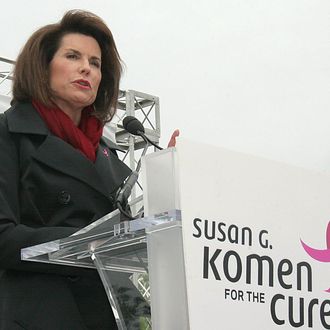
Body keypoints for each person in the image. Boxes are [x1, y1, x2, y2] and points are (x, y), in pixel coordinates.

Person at [0, 9, 168, 329]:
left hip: (105, 316)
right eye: (73, 56)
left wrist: (173, 175)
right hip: (39, 314)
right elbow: (3, 239)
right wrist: (88, 244)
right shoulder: (9, 134)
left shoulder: (109, 157)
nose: (86, 69)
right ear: (42, 66)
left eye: (95, 63)